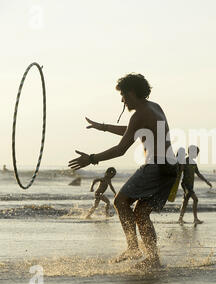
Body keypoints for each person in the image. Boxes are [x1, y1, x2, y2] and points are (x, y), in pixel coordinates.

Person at [69, 73, 177, 269]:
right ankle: (153, 259)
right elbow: (132, 130)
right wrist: (103, 127)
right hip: (170, 167)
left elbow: (120, 150)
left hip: (156, 166)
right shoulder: (154, 107)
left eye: (123, 95)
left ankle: (133, 248)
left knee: (120, 201)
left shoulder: (140, 114)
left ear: (132, 92)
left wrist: (91, 159)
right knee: (142, 212)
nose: (122, 100)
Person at [178, 145, 212, 225]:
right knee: (195, 199)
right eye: (196, 153)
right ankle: (195, 219)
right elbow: (180, 171)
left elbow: (198, 174)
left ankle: (180, 218)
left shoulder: (193, 163)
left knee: (186, 201)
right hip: (185, 185)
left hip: (190, 185)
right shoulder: (185, 161)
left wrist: (206, 181)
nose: (197, 154)